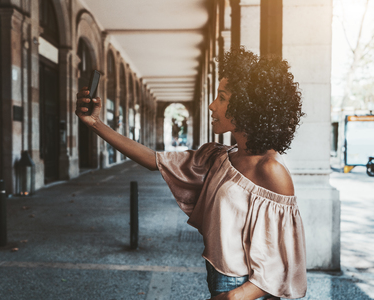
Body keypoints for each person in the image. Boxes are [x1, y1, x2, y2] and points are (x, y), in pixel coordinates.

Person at [76, 47, 307, 300]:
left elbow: (285, 261)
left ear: (247, 105)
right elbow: (155, 160)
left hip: (242, 289)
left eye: (221, 97)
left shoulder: (270, 170)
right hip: (219, 277)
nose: (211, 105)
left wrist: (234, 297)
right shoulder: (220, 156)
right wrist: (95, 124)